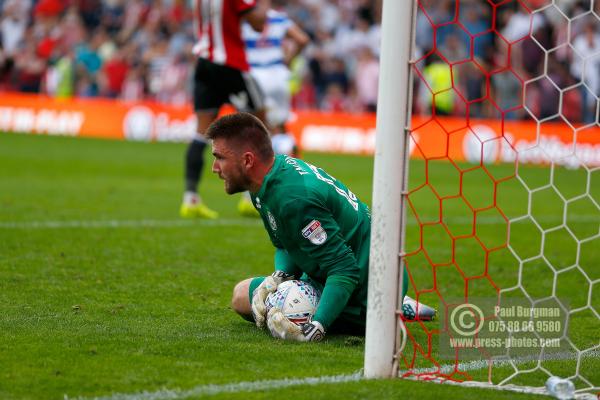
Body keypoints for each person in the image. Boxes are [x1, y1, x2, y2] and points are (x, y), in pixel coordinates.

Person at [206, 112, 436, 342]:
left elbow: (344, 269)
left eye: (220, 158)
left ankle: (391, 309)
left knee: (284, 314)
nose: (215, 167)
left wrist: (317, 326)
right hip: (329, 273)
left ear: (247, 160)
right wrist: (278, 278)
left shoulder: (294, 199)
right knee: (241, 297)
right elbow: (286, 245)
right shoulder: (265, 183)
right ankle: (394, 304)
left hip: (369, 287)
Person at [180, 0, 270, 219]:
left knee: (201, 132)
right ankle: (251, 198)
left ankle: (190, 199)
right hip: (230, 64)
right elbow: (258, 23)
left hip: (203, 64)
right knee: (258, 125)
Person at [242, 3, 309, 157]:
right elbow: (303, 39)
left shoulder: (245, 19)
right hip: (279, 75)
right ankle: (296, 165)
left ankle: (262, 164)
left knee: (258, 125)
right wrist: (289, 60)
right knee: (280, 124)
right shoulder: (279, 18)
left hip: (255, 75)